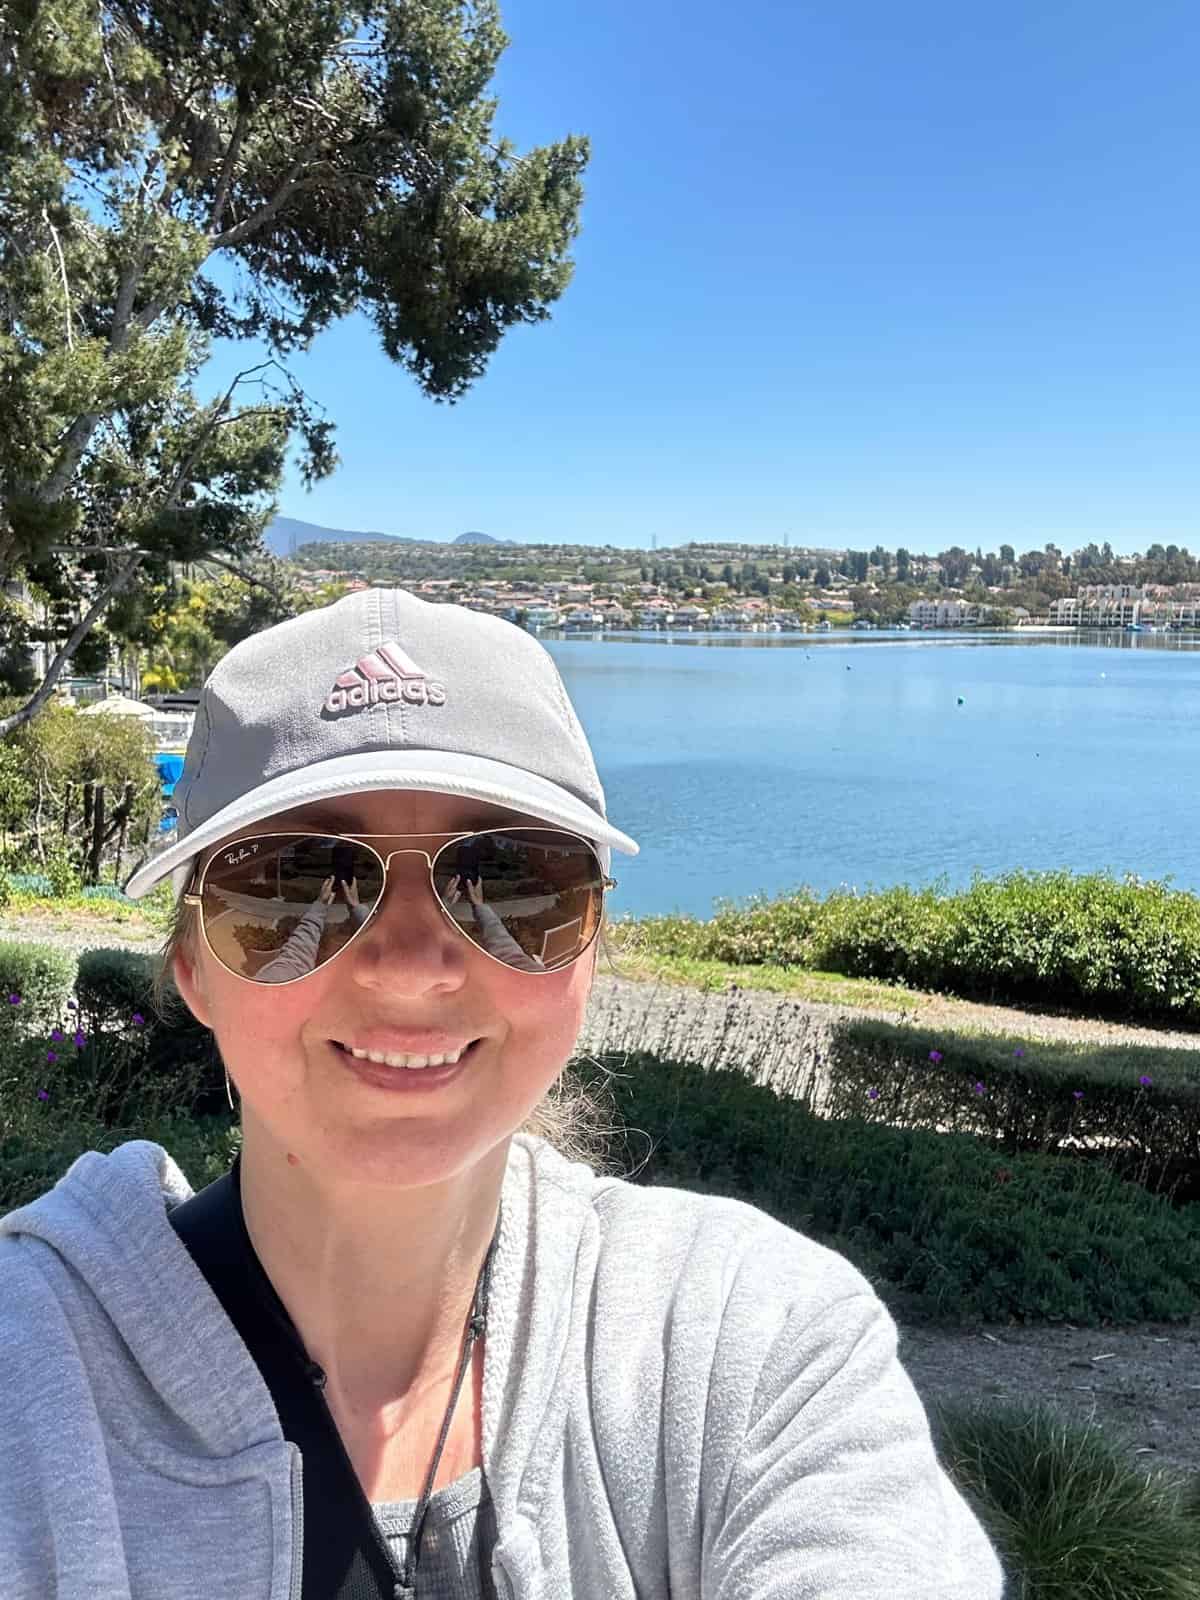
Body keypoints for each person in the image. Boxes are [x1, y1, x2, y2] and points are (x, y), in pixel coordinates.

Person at [0, 589, 1005, 1599]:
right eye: (295, 882)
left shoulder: (753, 1341)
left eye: (512, 878)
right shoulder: (31, 1372)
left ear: (594, 945)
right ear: (191, 969)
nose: (411, 968)